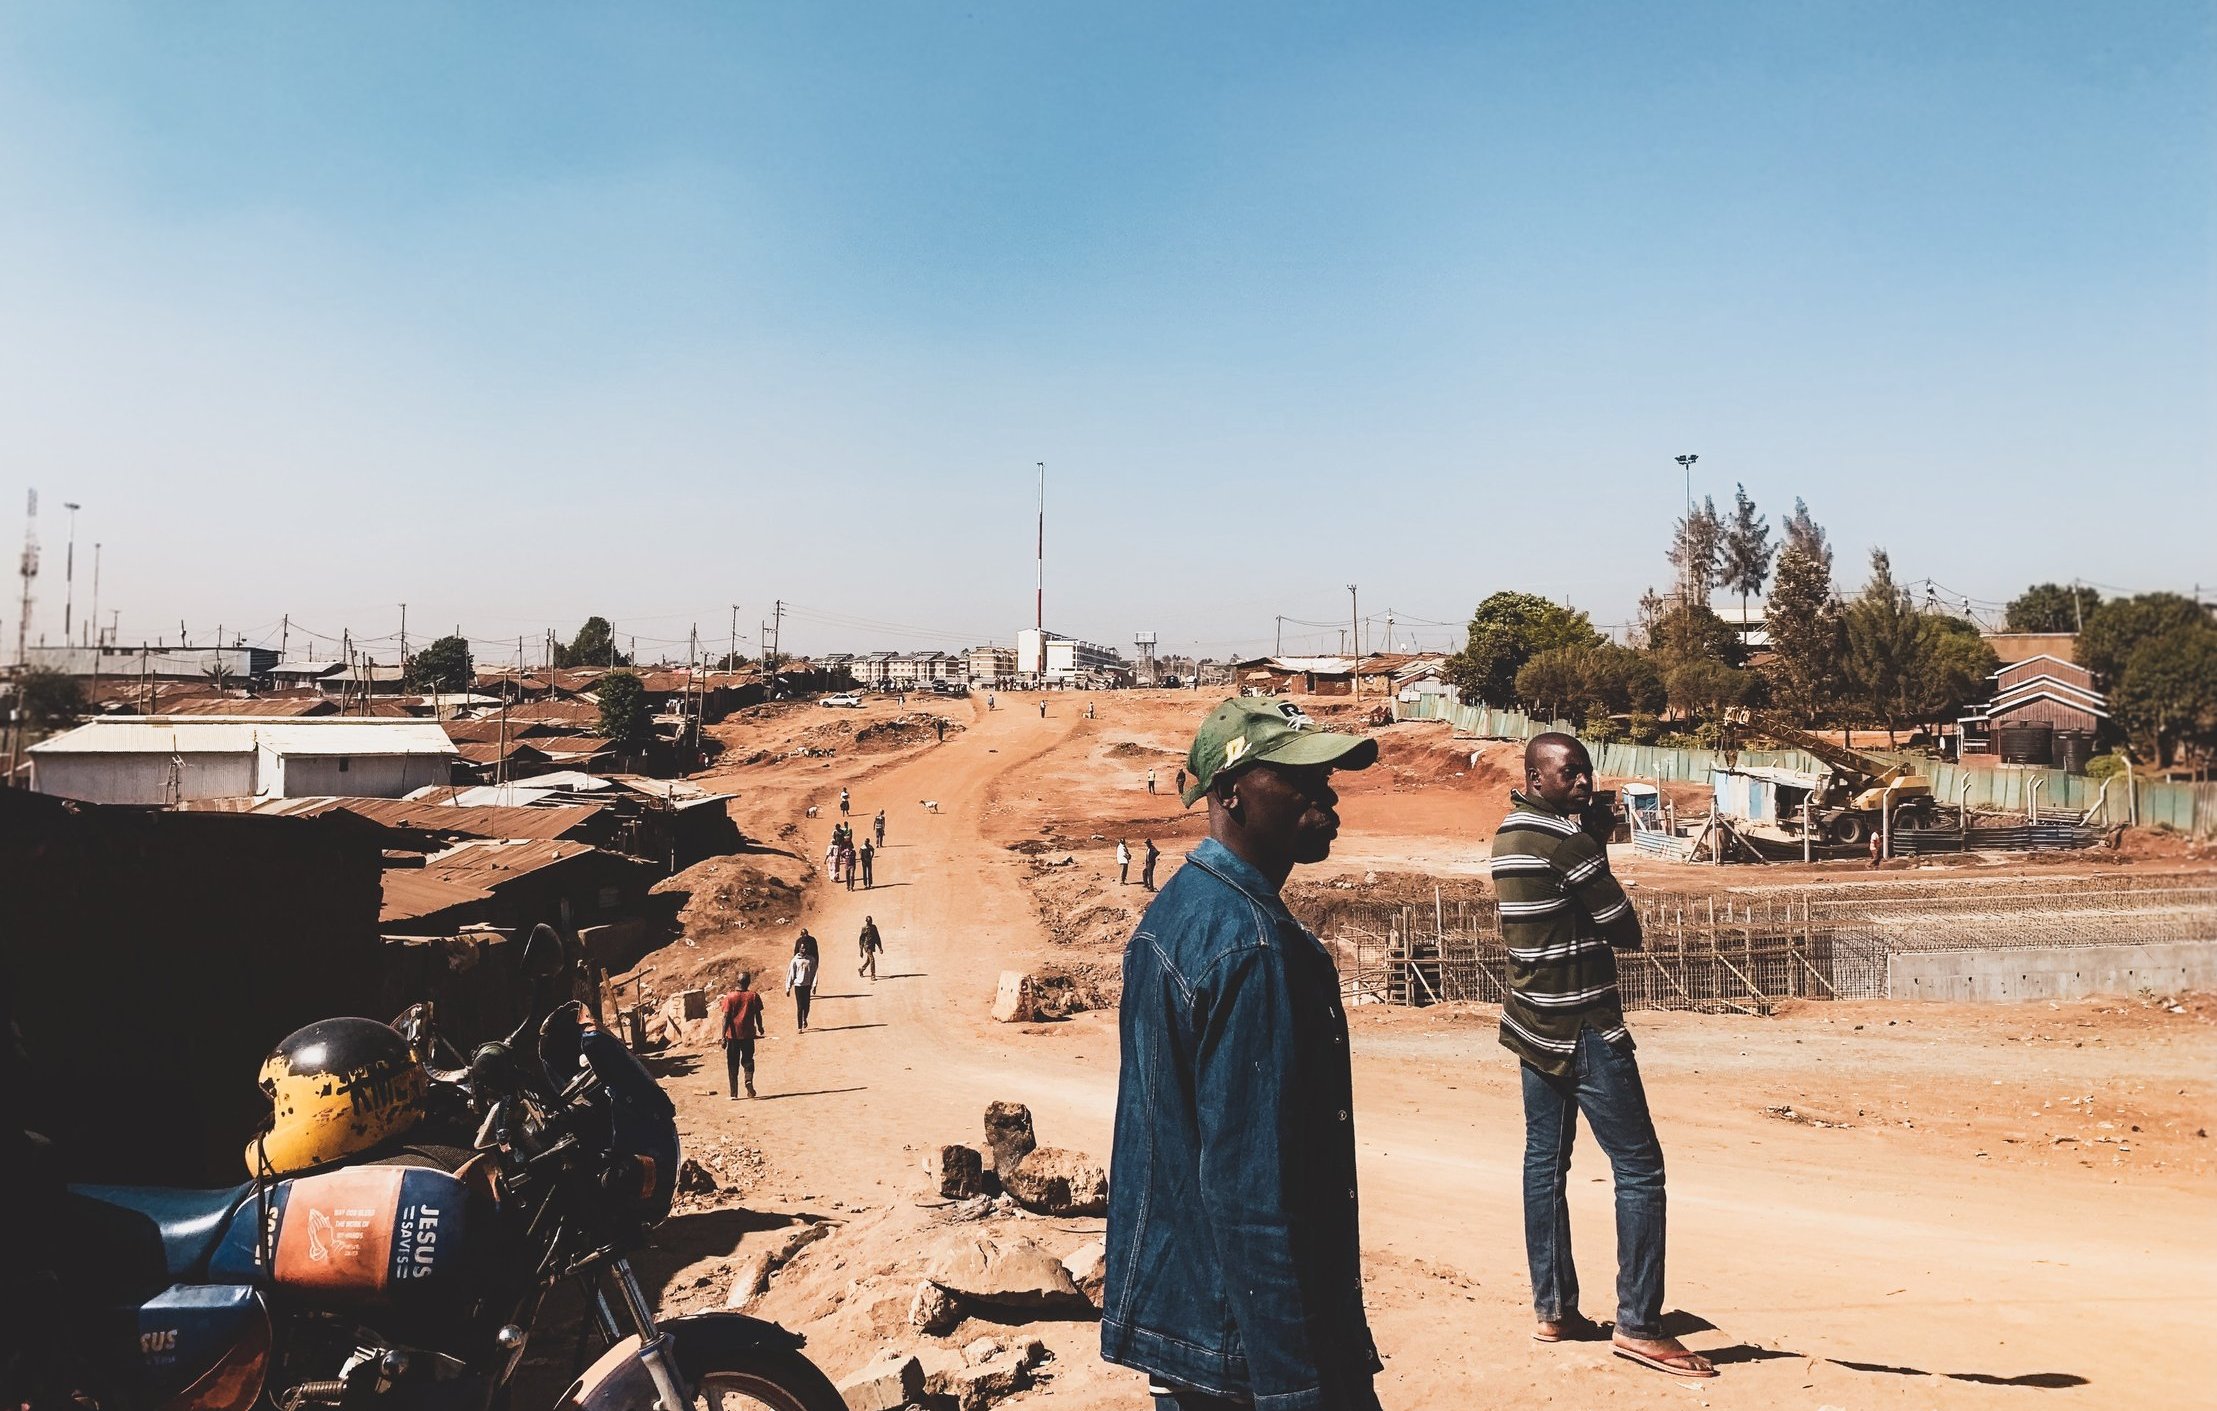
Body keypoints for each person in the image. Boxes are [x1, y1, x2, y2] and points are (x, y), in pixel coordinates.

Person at [1103, 698, 1383, 1411]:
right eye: (1298, 776)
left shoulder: (1179, 910)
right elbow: (1251, 1187)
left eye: (1325, 774)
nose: (1325, 793)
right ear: (1230, 791)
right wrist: (1294, 1386)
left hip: (1197, 1321)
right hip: (1253, 1351)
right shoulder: (1252, 948)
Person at [1491, 733, 1715, 1380]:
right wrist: (1594, 847)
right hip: (1585, 1023)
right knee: (1640, 1170)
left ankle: (1554, 1307)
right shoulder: (1568, 844)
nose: (1584, 782)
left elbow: (1561, 917)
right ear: (1535, 776)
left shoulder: (1509, 833)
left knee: (1544, 1164)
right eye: (1569, 773)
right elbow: (1625, 929)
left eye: (1585, 771)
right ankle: (1639, 1325)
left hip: (1531, 1022)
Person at [718, 971, 766, 1099]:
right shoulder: (753, 996)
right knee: (748, 1060)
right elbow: (758, 1014)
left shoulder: (730, 997)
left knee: (732, 1064)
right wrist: (760, 1027)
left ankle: (733, 1093)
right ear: (748, 982)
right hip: (748, 1035)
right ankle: (748, 1080)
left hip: (733, 1036)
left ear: (737, 981)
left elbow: (726, 1018)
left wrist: (723, 1037)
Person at [785, 933, 819, 1032]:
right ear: (799, 949)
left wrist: (814, 986)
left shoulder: (811, 960)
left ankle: (805, 1019)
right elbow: (791, 974)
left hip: (807, 985)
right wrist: (788, 987)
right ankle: (799, 1027)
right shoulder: (795, 960)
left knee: (807, 1006)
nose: (803, 950)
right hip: (798, 986)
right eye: (801, 948)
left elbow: (814, 973)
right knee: (800, 1007)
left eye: (805, 948)